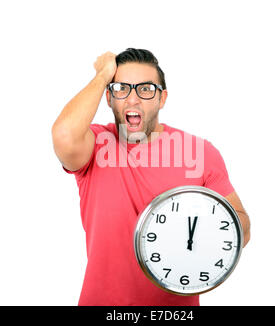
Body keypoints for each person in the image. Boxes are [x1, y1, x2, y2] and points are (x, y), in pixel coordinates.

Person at [51, 48, 250, 306]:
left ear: (162, 98)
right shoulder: (95, 145)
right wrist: (102, 76)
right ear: (109, 98)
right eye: (121, 88)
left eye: (146, 89)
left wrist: (198, 231)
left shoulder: (199, 152)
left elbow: (241, 228)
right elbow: (64, 135)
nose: (133, 100)